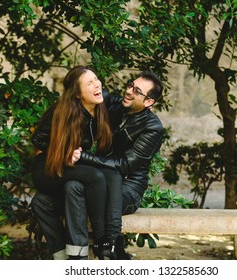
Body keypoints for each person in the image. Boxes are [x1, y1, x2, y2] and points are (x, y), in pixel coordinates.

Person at [65, 70, 165, 259]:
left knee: (86, 194)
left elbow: (125, 165)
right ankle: (78, 258)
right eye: (130, 85)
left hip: (129, 188)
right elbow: (87, 90)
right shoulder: (115, 105)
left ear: (149, 102)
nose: (129, 91)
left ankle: (107, 250)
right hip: (102, 179)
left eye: (137, 91)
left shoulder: (152, 127)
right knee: (73, 186)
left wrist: (82, 156)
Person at [30, 65, 123, 260]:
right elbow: (38, 139)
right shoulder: (62, 111)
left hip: (66, 171)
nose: (97, 84)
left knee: (90, 180)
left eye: (96, 78)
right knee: (95, 176)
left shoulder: (98, 109)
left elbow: (123, 103)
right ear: (78, 94)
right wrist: (62, 153)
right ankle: (100, 240)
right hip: (46, 170)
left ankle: (67, 258)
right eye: (89, 83)